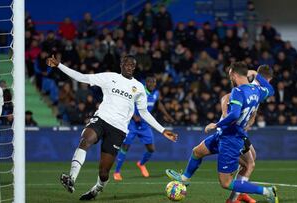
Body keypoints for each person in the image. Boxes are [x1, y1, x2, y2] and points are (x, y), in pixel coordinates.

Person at [46, 55, 177, 200]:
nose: (130, 67)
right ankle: (71, 178)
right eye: (127, 64)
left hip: (119, 130)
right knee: (86, 140)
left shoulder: (139, 87)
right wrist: (59, 65)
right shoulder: (109, 77)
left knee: (104, 172)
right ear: (121, 64)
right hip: (101, 119)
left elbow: (144, 112)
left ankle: (96, 190)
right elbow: (82, 77)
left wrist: (162, 130)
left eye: (133, 66)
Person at [166, 62, 278, 203]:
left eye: (230, 74)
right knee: (197, 151)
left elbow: (234, 115)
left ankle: (267, 191)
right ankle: (185, 179)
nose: (229, 77)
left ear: (233, 74)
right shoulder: (257, 91)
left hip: (230, 139)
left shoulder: (238, 91)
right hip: (224, 134)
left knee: (226, 182)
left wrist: (216, 124)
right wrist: (256, 74)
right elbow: (271, 90)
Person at [224, 65, 273, 203]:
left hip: (238, 131)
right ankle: (234, 198)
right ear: (268, 79)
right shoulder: (254, 87)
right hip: (233, 132)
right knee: (249, 164)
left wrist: (252, 117)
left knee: (251, 159)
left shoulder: (252, 87)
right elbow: (226, 98)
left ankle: (241, 192)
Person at [113, 76, 174, 181]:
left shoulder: (156, 93)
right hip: (132, 124)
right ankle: (117, 172)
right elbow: (128, 103)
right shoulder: (139, 91)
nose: (152, 83)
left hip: (145, 125)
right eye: (149, 81)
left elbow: (158, 104)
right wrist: (133, 115)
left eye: (153, 82)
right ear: (146, 83)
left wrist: (167, 115)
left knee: (151, 149)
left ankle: (141, 164)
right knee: (125, 147)